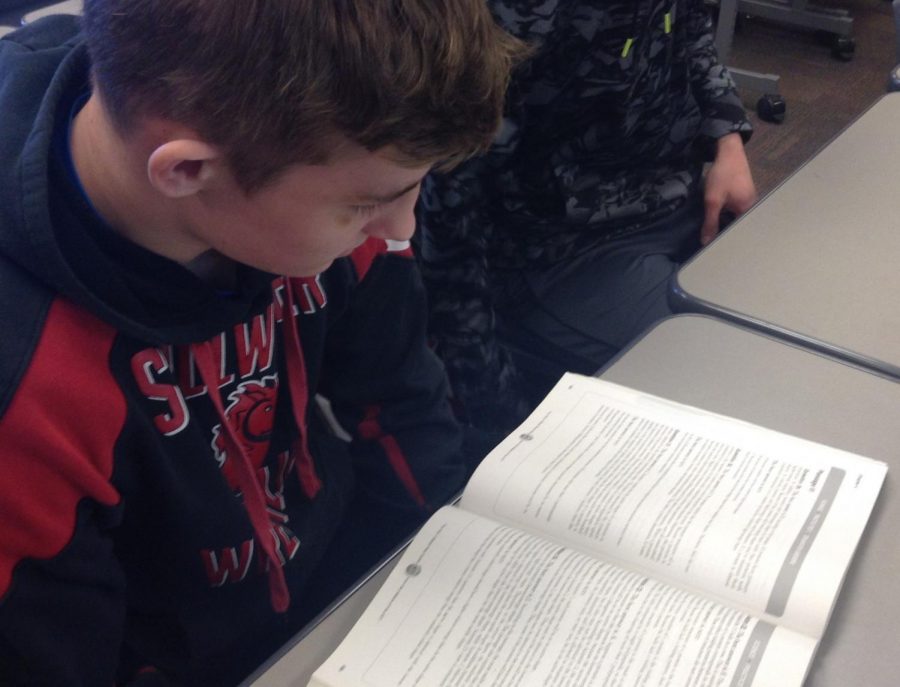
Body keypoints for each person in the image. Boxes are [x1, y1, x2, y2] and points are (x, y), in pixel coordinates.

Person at [0, 2, 525, 684]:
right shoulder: (24, 387)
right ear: (187, 172)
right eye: (369, 204)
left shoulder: (318, 168)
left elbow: (403, 403)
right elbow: (59, 659)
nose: (400, 225)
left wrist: (432, 584)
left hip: (332, 572)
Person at [418, 0, 757, 432]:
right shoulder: (519, 16)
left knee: (798, 324)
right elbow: (449, 197)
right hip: (558, 254)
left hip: (673, 200)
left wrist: (727, 140)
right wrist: (489, 399)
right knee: (739, 383)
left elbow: (688, 25)